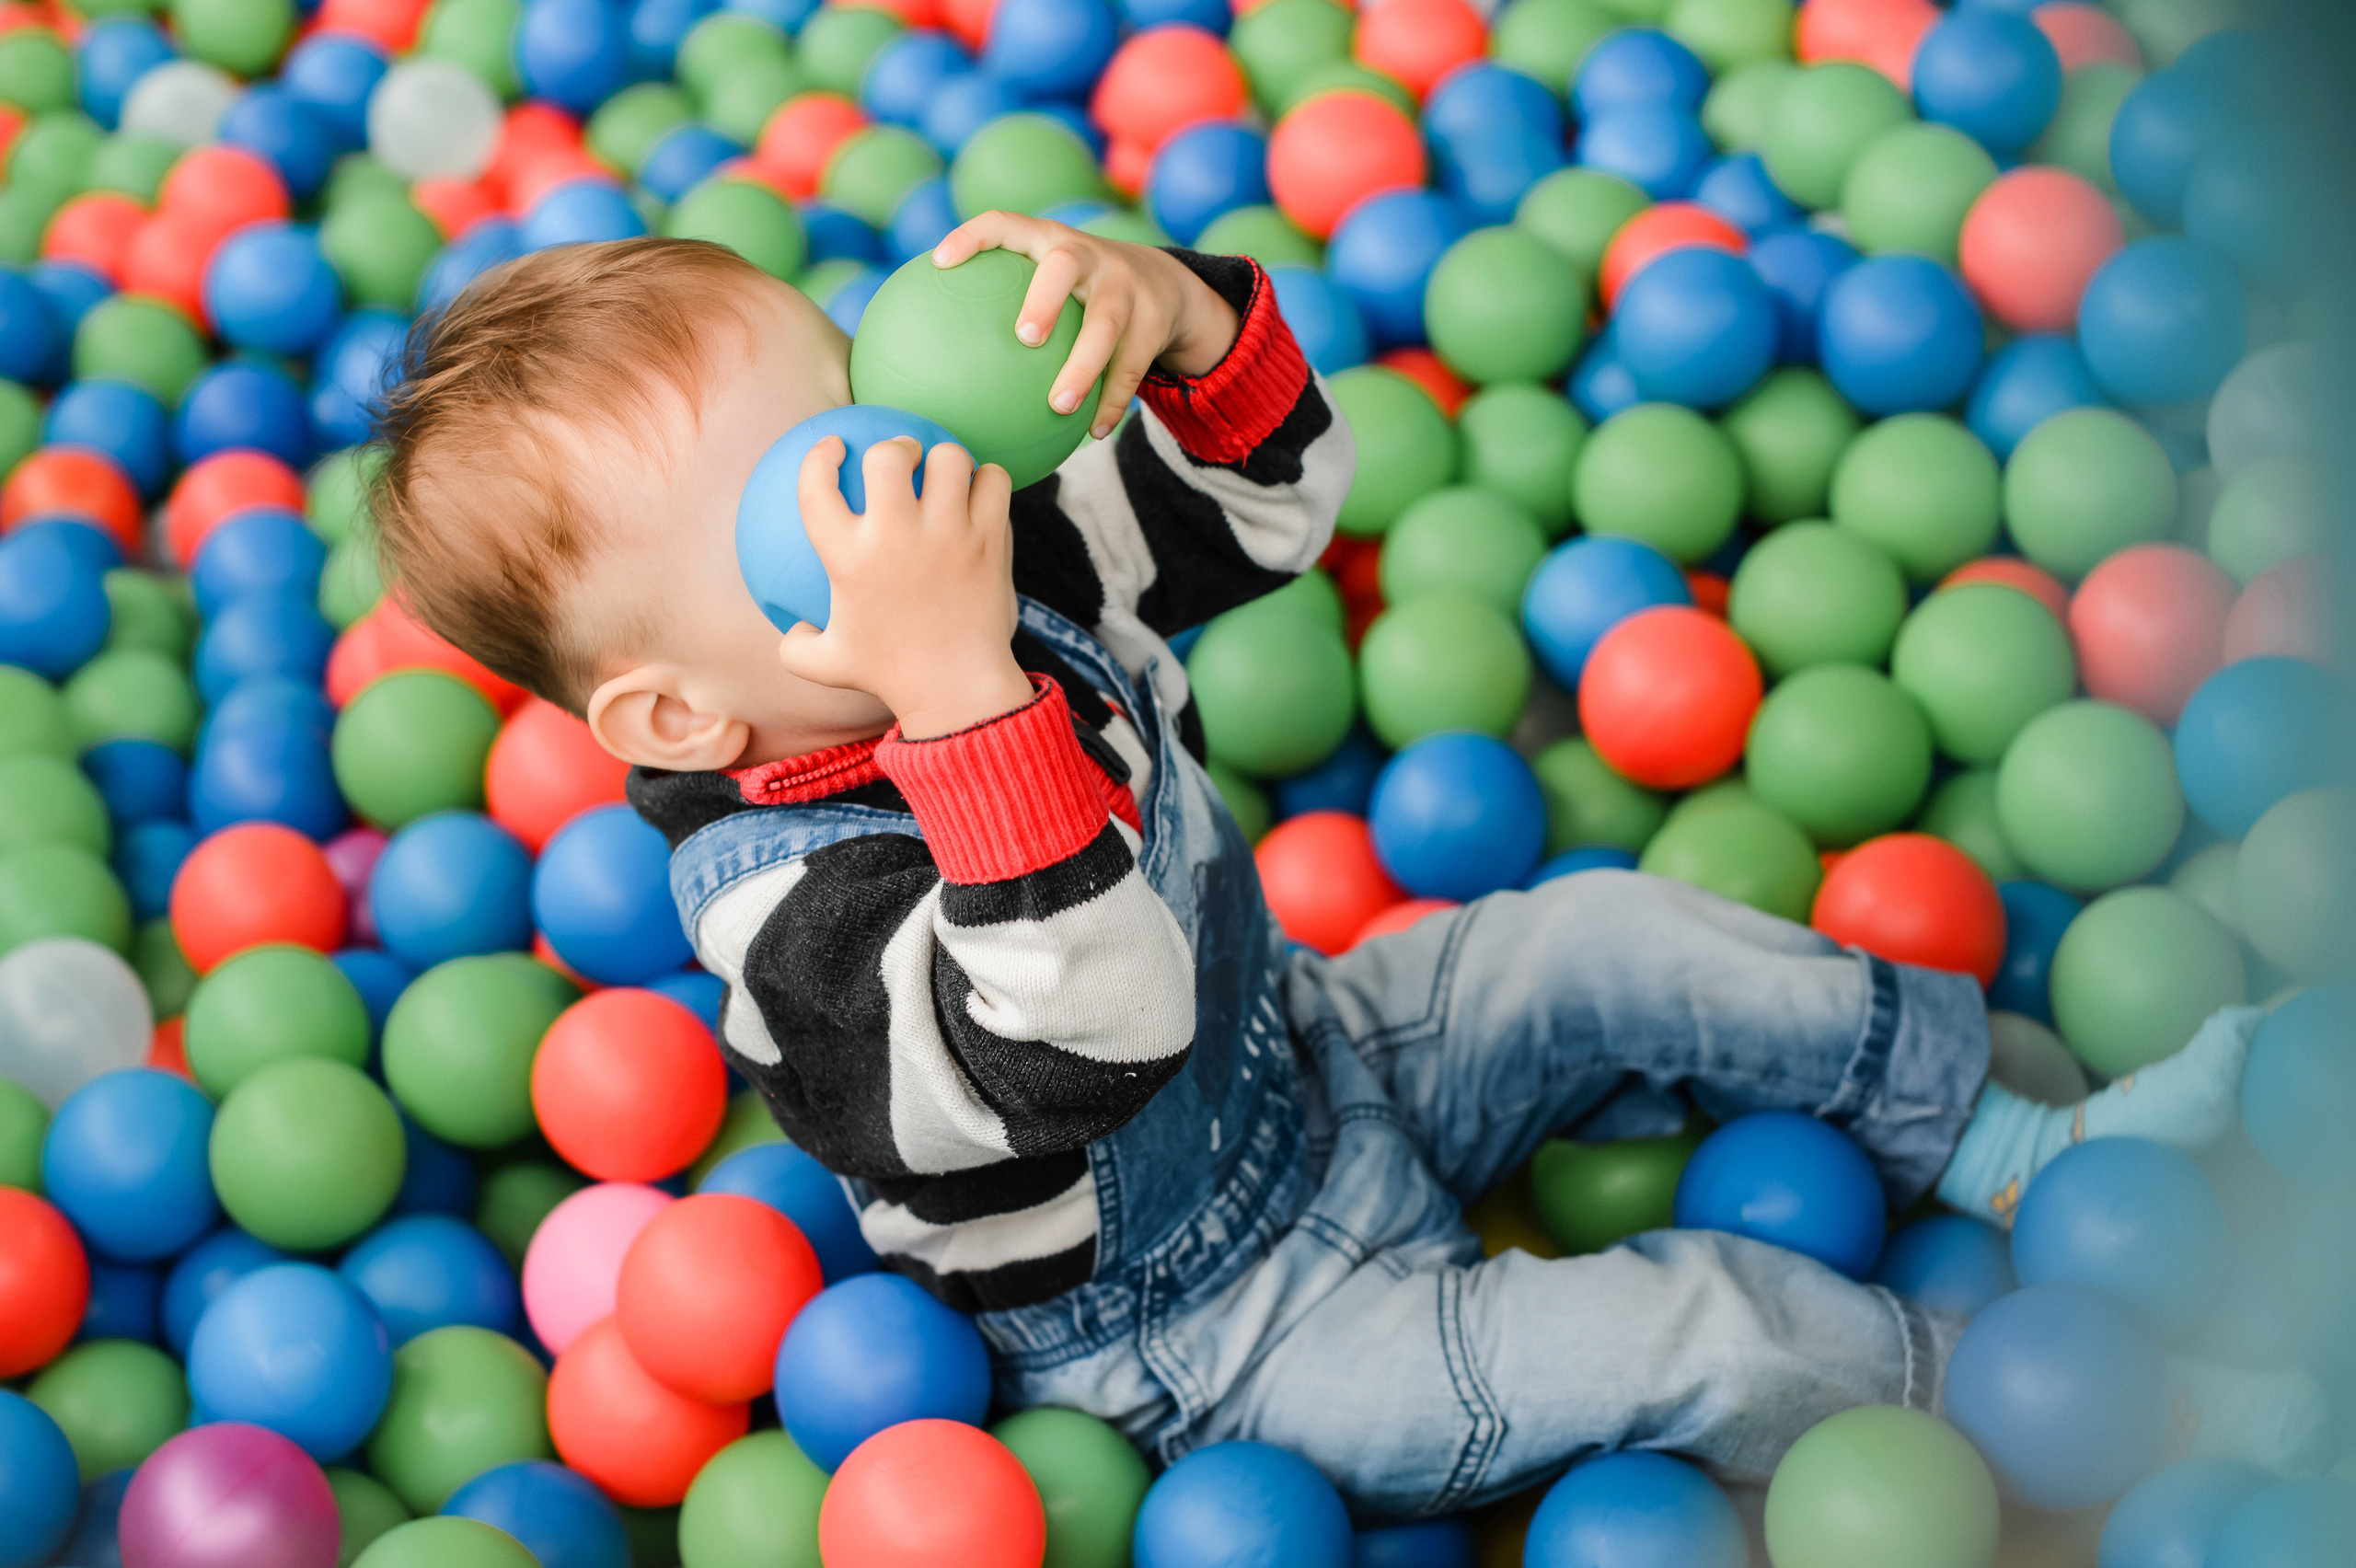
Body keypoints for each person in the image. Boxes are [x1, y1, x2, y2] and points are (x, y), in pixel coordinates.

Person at [371, 216, 2317, 1517]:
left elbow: (1270, 513)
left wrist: (1180, 315)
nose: (895, 468)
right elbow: (1088, 1031)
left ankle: (2012, 1149)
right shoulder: (793, 927)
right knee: (1676, 1326)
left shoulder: (983, 568)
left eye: (849, 398)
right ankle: (2051, 1390)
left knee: (1604, 935)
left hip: (1328, 1050)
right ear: (676, 720)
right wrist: (966, 691)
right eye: (807, 489)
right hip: (1215, 1338)